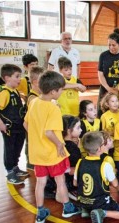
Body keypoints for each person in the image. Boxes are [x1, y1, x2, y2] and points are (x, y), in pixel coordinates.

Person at [23, 71, 81, 222]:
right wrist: (59, 144)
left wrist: (37, 138)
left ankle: (40, 212)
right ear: (54, 91)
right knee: (60, 181)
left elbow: (26, 123)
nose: (61, 92)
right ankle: (68, 208)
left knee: (40, 183)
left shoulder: (34, 102)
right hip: (53, 153)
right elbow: (49, 132)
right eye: (61, 90)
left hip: (37, 153)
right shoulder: (53, 108)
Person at [74, 131, 119, 223]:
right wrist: (118, 188)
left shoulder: (80, 162)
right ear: (99, 148)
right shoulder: (104, 165)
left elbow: (75, 183)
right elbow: (114, 184)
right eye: (104, 143)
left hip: (82, 200)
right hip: (99, 202)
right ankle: (102, 212)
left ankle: (86, 210)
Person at [0, 64, 29, 185]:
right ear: (7, 78)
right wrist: (1, 123)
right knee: (10, 149)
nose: (19, 79)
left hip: (19, 127)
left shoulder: (16, 91)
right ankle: (10, 171)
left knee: (18, 148)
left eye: (20, 76)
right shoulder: (5, 93)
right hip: (9, 128)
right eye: (17, 76)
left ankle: (15, 167)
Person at [97, 28, 119, 117]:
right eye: (109, 45)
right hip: (105, 88)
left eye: (114, 45)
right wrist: (108, 88)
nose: (111, 47)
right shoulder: (103, 55)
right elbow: (100, 74)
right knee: (102, 111)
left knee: (118, 112)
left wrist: (117, 88)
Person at [26, 65, 45, 171]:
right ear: (34, 82)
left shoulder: (39, 96)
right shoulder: (33, 98)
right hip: (34, 133)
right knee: (33, 167)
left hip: (39, 132)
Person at [62, 115, 83, 201]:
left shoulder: (63, 143)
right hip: (68, 180)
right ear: (69, 131)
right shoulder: (71, 148)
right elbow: (70, 169)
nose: (81, 130)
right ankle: (70, 191)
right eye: (78, 128)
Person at [99, 92, 119, 158]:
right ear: (107, 104)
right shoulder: (104, 116)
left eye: (117, 101)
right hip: (112, 145)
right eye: (112, 101)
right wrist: (114, 132)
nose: (115, 103)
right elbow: (104, 133)